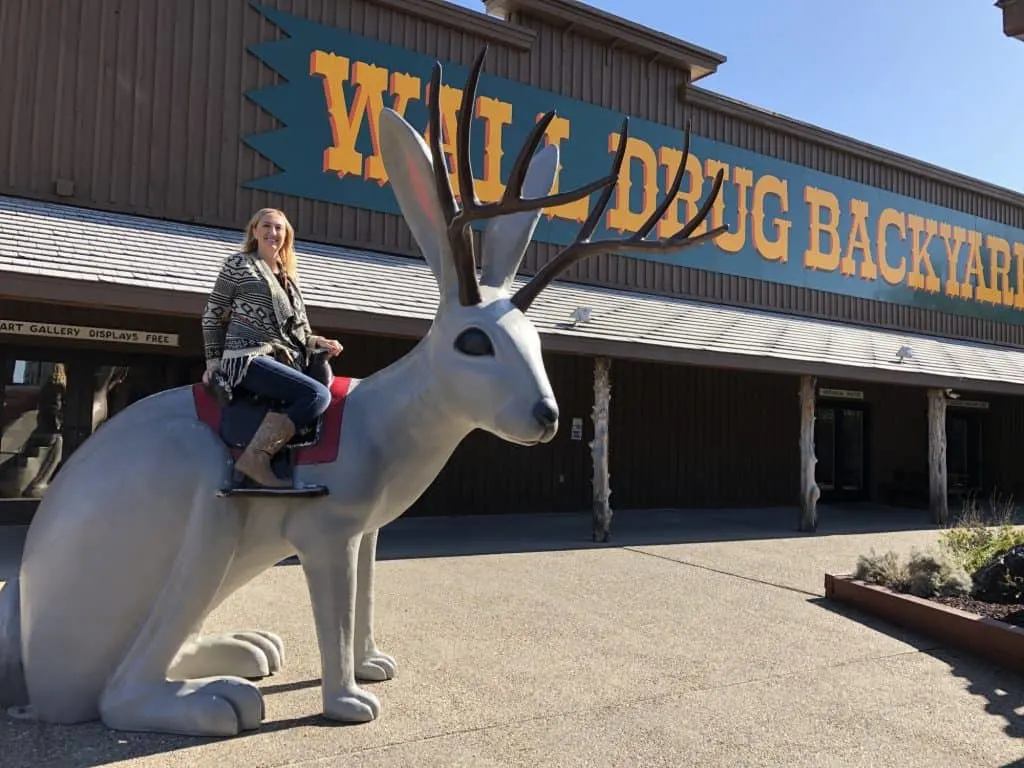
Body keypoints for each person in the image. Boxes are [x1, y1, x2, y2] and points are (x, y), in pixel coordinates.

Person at [201, 207, 344, 488]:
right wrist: (213, 363)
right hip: (247, 357)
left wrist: (318, 341)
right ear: (254, 231)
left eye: (279, 228)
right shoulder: (239, 265)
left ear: (286, 236)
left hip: (285, 358)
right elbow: (212, 314)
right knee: (316, 395)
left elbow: (299, 332)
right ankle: (256, 457)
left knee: (318, 386)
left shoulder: (289, 278)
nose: (273, 232)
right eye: (266, 226)